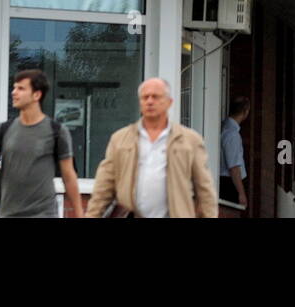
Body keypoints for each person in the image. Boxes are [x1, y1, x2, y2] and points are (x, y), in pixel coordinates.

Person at [85, 78, 218, 218]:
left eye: (156, 96)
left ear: (169, 102)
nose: (149, 101)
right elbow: (104, 186)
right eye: (145, 97)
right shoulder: (120, 139)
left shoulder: (190, 140)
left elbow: (204, 189)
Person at [0, 70, 83, 218]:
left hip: (43, 214)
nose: (14, 92)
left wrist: (79, 213)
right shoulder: (2, 130)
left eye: (21, 88)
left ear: (36, 95)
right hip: (8, 214)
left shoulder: (57, 131)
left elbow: (69, 176)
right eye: (14, 88)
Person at [218, 97, 250, 210]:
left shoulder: (222, 127)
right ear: (245, 112)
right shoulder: (232, 134)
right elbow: (234, 167)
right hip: (230, 184)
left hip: (223, 181)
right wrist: (241, 193)